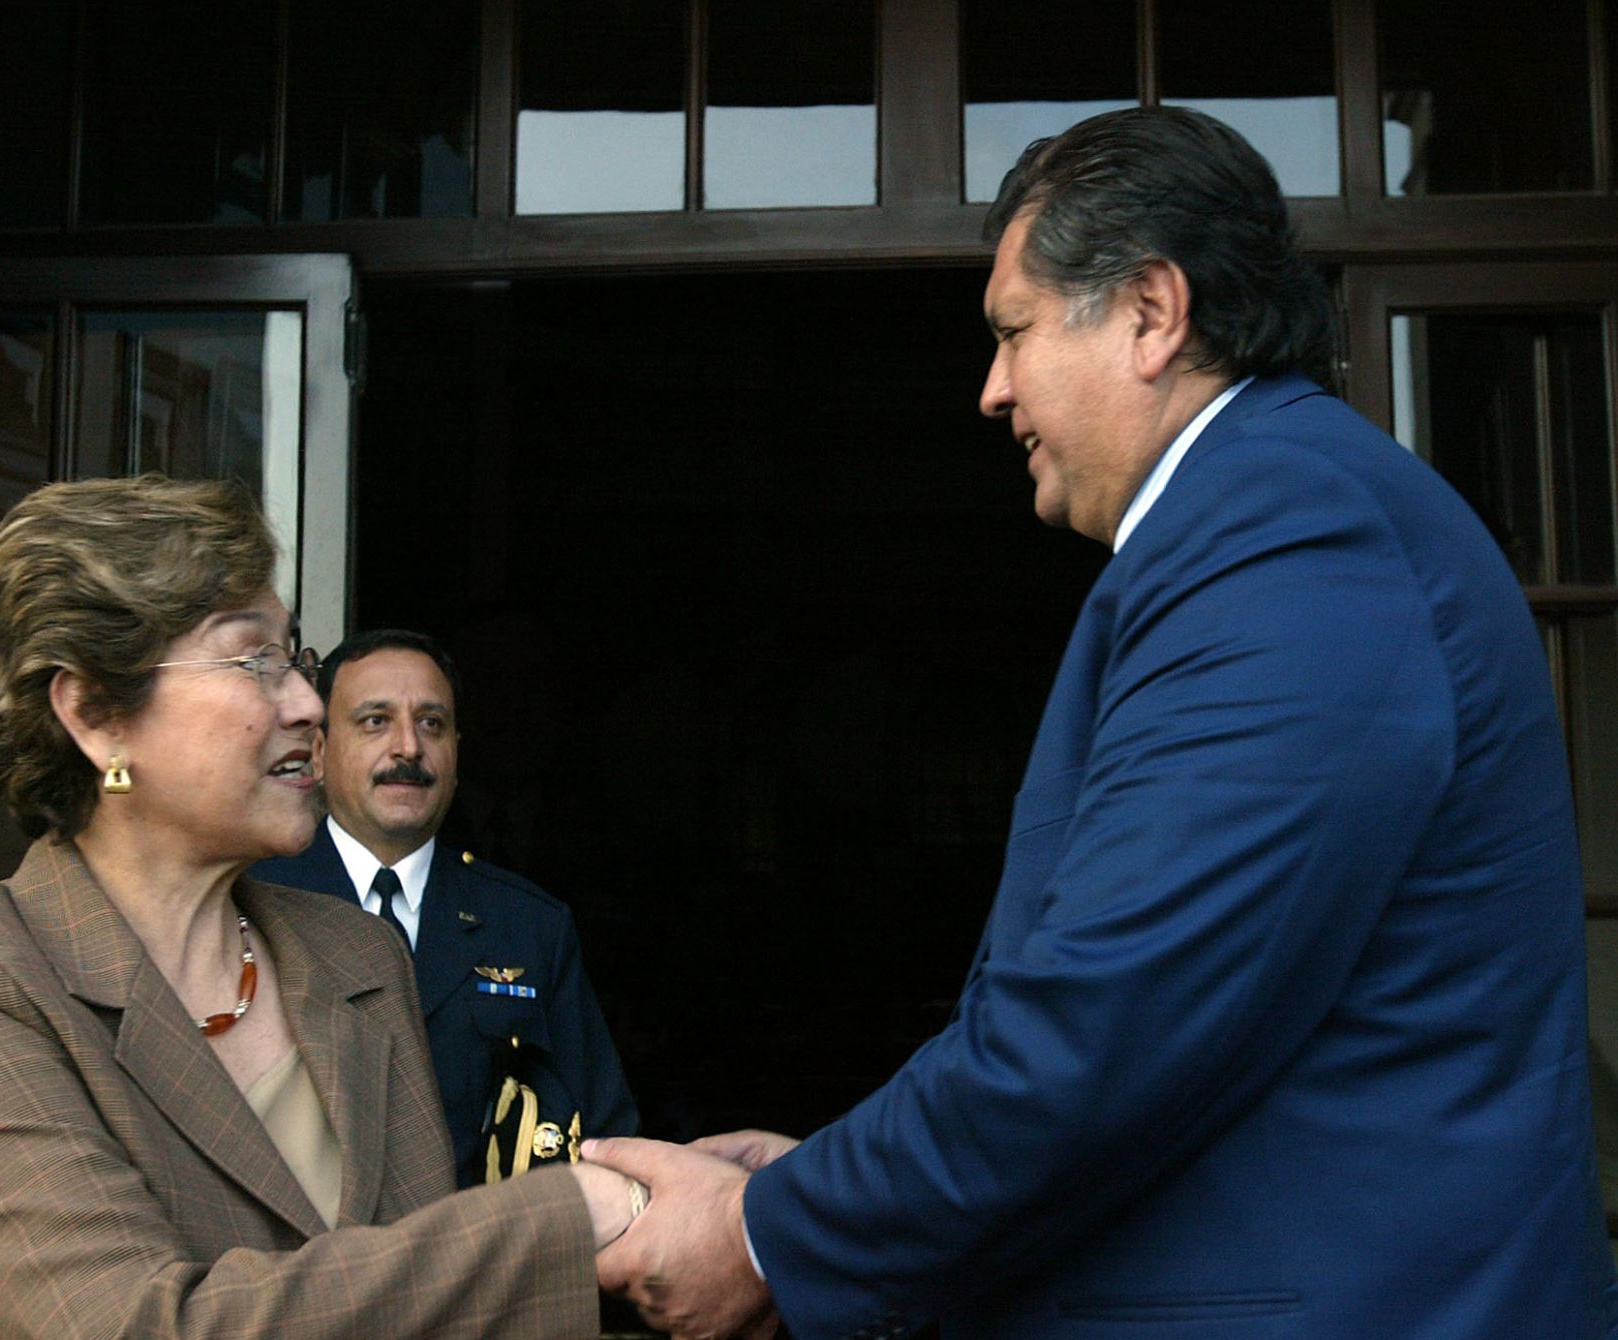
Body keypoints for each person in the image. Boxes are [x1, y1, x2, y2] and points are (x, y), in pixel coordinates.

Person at [584, 106, 1618, 1338]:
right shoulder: (1263, 521)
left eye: (1012, 332)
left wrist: (775, 1233)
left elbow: (1110, 1021)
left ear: (1148, 311)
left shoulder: (1289, 536)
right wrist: (830, 1182)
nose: (992, 389)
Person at [0, 475, 639, 1339]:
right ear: (95, 714)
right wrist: (572, 1216)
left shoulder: (356, 957)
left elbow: (434, 1309)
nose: (305, 705)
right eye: (253, 660)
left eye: (294, 659)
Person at [252, 629, 638, 1188]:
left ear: (457, 750)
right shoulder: (257, 901)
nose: (409, 747)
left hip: (482, 1261)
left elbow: (606, 1140)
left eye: (431, 724)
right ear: (319, 749)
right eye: (375, 721)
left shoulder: (529, 925)